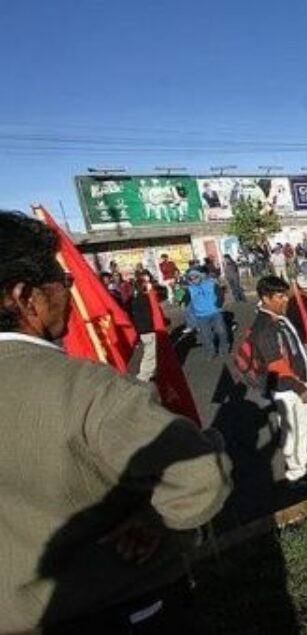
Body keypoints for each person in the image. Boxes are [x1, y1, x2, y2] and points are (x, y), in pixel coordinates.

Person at [0, 211, 231, 632]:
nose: (71, 295)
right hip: (123, 606)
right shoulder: (88, 389)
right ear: (24, 296)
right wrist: (156, 521)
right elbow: (198, 473)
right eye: (64, 282)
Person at [250, 276, 307, 485]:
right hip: (288, 388)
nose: (285, 300)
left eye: (285, 295)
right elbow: (276, 366)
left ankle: (302, 455)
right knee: (292, 430)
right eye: (280, 297)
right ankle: (296, 474)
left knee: (302, 425)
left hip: (298, 381)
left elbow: (295, 345)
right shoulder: (264, 328)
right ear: (265, 298)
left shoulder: (278, 317)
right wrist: (301, 388)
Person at [184, 268, 228, 358]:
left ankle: (223, 348)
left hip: (215, 312)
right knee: (206, 336)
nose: (194, 280)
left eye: (195, 277)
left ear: (199, 276)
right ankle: (211, 352)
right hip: (201, 316)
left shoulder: (211, 284)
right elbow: (185, 301)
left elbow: (220, 294)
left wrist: (218, 304)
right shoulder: (189, 289)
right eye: (191, 278)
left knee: (221, 331)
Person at [129, 272, 158, 382]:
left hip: (142, 330)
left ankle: (145, 374)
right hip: (147, 330)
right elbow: (147, 315)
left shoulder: (135, 299)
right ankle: (143, 377)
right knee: (150, 355)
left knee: (148, 353)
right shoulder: (143, 298)